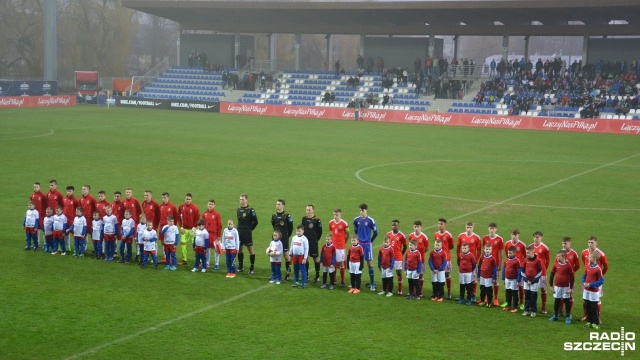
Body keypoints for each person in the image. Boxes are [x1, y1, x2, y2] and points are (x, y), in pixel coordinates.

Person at [580, 236, 608, 324]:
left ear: (596, 243)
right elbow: (585, 264)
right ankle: (587, 316)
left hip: (596, 281)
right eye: (589, 242)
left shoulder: (601, 254)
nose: (590, 244)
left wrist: (599, 277)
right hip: (586, 279)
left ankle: (597, 318)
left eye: (592, 242)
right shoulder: (584, 252)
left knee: (596, 300)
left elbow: (606, 266)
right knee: (585, 299)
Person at [353, 203, 378, 291]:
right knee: (357, 263)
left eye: (362, 210)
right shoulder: (356, 220)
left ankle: (372, 283)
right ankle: (356, 282)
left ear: (366, 210)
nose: (361, 212)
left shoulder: (370, 220)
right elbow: (355, 231)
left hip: (367, 244)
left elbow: (376, 232)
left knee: (369, 263)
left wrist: (371, 240)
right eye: (360, 210)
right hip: (359, 244)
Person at [548, 250, 576, 324]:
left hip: (566, 287)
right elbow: (551, 275)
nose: (557, 258)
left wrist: (571, 288)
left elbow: (572, 277)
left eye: (558, 256)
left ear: (563, 256)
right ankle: (555, 315)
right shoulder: (556, 264)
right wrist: (551, 286)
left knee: (566, 301)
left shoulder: (568, 266)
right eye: (556, 256)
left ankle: (567, 316)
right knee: (557, 300)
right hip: (557, 286)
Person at [502, 229, 527, 309]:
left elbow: (525, 256)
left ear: (518, 235)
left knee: (520, 286)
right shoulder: (507, 243)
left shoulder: (522, 245)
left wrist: (522, 266)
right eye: (513, 234)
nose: (514, 236)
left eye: (515, 235)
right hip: (510, 267)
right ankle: (508, 302)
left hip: (518, 268)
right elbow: (506, 254)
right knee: (508, 287)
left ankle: (521, 303)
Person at [457, 221, 481, 301]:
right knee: (463, 281)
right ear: (465, 227)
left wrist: (476, 261)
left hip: (472, 263)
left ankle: (473, 295)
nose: (469, 229)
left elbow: (479, 251)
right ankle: (463, 296)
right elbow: (458, 248)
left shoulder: (477, 237)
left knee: (473, 280)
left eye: (470, 227)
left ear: (473, 228)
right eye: (467, 227)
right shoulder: (461, 236)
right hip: (463, 263)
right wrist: (459, 259)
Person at [482, 223, 504, 306]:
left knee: (495, 281)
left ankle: (495, 298)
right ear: (488, 229)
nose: (492, 230)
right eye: (490, 228)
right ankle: (486, 297)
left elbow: (501, 253)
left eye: (493, 228)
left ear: (496, 229)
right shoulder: (485, 238)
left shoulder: (499, 239)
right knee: (485, 281)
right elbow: (483, 251)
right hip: (486, 264)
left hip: (494, 264)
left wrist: (500, 264)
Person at [271, 199, 294, 280]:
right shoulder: (274, 215)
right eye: (277, 204)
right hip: (275, 239)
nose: (277, 205)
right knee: (274, 255)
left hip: (284, 238)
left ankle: (288, 273)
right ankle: (275, 273)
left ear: (283, 205)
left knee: (286, 256)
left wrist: (286, 236)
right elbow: (274, 226)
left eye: (279, 204)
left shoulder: (287, 216)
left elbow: (290, 227)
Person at [237, 193, 258, 274]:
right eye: (240, 199)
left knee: (250, 250)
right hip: (239, 231)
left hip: (247, 232)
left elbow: (256, 222)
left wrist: (250, 229)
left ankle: (252, 267)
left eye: (242, 199)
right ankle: (240, 266)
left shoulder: (250, 210)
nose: (241, 201)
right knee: (239, 249)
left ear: (246, 200)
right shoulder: (238, 209)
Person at [582, 252, 604, 329]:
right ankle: (589, 321)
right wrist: (584, 282)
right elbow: (584, 276)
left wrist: (591, 285)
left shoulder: (598, 269)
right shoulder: (588, 266)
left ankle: (596, 323)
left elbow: (601, 281)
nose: (588, 258)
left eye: (590, 257)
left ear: (594, 259)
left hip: (593, 291)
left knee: (593, 307)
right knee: (587, 306)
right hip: (586, 290)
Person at [301, 204, 322, 283]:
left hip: (313, 242)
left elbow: (320, 232)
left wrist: (315, 239)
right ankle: (306, 275)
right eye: (307, 210)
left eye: (309, 210)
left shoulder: (317, 220)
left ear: (313, 210)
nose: (308, 211)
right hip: (305, 242)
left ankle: (317, 275)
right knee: (305, 258)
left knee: (315, 258)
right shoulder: (304, 219)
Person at [434, 218, 454, 299]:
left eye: (441, 224)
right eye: (439, 223)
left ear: (445, 225)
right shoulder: (436, 234)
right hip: (438, 259)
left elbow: (451, 246)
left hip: (447, 259)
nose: (440, 225)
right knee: (438, 275)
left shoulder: (448, 235)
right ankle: (439, 291)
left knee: (447, 275)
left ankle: (449, 292)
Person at [328, 209, 349, 287]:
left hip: (341, 248)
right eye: (334, 215)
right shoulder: (331, 222)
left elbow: (347, 234)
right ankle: (334, 279)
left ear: (340, 215)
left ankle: (342, 280)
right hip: (333, 247)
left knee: (341, 264)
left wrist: (343, 243)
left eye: (337, 215)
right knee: (333, 263)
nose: (335, 216)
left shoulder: (345, 224)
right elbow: (331, 232)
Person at [531, 231, 550, 314]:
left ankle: (544, 307)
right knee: (532, 289)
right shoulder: (530, 247)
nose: (536, 239)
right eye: (534, 237)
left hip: (542, 272)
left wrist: (544, 269)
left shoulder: (545, 248)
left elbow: (548, 260)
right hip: (532, 272)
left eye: (537, 237)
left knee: (543, 289)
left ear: (541, 238)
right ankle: (532, 305)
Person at [178, 193, 200, 266]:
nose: (188, 200)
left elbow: (197, 218)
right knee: (183, 244)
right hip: (184, 230)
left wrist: (194, 227)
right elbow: (178, 218)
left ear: (191, 200)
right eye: (186, 199)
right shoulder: (181, 207)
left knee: (196, 245)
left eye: (189, 199)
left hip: (193, 230)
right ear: (184, 199)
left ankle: (199, 261)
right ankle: (184, 260)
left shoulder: (195, 208)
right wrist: (181, 227)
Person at [409, 220, 429, 298]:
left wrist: (420, 255)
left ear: (421, 227)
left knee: (420, 275)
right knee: (412, 276)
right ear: (413, 227)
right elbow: (410, 246)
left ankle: (419, 291)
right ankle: (412, 291)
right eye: (415, 227)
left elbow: (427, 248)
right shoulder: (411, 236)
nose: (416, 228)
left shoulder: (424, 237)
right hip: (412, 261)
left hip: (421, 260)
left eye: (418, 227)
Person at [522, 245, 543, 317]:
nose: (526, 254)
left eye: (528, 253)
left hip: (534, 282)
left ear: (533, 252)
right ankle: (526, 310)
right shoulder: (525, 260)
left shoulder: (538, 261)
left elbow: (540, 272)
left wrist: (533, 281)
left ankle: (533, 311)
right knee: (527, 296)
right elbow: (522, 271)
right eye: (526, 252)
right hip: (526, 281)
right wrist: (526, 280)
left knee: (533, 297)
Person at [158, 192, 179, 264]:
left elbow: (176, 217)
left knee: (170, 242)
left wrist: (174, 226)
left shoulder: (172, 206)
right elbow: (158, 217)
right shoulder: (160, 206)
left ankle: (170, 257)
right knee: (162, 242)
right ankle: (165, 257)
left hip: (170, 227)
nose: (163, 199)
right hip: (162, 226)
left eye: (165, 198)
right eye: (162, 198)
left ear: (168, 198)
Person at [387, 219, 406, 295]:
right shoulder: (388, 234)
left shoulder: (402, 235)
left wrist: (401, 254)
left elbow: (405, 246)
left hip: (398, 256)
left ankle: (400, 289)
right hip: (390, 256)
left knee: (399, 273)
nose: (393, 226)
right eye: (392, 225)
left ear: (398, 225)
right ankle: (388, 288)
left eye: (395, 225)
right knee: (389, 272)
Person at [203, 199, 222, 271]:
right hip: (207, 234)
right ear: (207, 205)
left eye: (211, 204)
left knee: (216, 249)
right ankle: (207, 262)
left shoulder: (217, 215)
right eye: (209, 204)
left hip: (214, 235)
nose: (210, 206)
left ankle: (217, 264)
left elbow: (219, 225)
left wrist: (218, 236)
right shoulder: (204, 214)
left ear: (214, 205)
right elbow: (203, 224)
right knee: (207, 249)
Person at [502, 246, 522, 313]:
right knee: (508, 293)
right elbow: (504, 269)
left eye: (510, 253)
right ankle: (508, 305)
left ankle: (515, 307)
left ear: (514, 253)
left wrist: (518, 280)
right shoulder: (506, 260)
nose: (508, 254)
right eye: (508, 253)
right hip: (507, 279)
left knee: (514, 294)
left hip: (514, 280)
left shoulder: (517, 261)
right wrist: (503, 278)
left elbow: (519, 271)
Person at [63, 186, 79, 254]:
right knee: (65, 233)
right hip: (65, 219)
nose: (68, 192)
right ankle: (68, 247)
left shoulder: (75, 200)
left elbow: (77, 210)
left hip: (72, 219)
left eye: (70, 191)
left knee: (74, 234)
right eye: (67, 191)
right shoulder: (64, 199)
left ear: (73, 191)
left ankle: (76, 249)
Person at [30, 182, 47, 249]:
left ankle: (46, 243)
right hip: (34, 215)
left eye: (37, 187)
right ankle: (37, 243)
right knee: (35, 229)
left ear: (39, 187)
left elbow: (45, 205)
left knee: (43, 229)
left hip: (41, 214)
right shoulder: (32, 196)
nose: (36, 188)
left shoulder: (42, 196)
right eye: (34, 187)